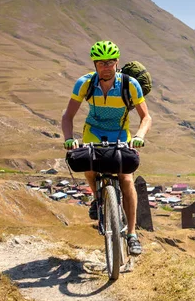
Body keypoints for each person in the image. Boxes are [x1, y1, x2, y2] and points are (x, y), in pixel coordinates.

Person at [61, 40, 152, 255]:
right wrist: (69, 138)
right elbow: (68, 116)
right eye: (101, 63)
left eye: (110, 62)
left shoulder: (129, 84)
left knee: (127, 178)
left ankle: (131, 234)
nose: (106, 66)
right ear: (95, 64)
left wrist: (139, 135)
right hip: (93, 130)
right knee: (90, 166)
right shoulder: (85, 83)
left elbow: (146, 117)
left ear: (117, 62)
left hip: (121, 133)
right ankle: (97, 198)